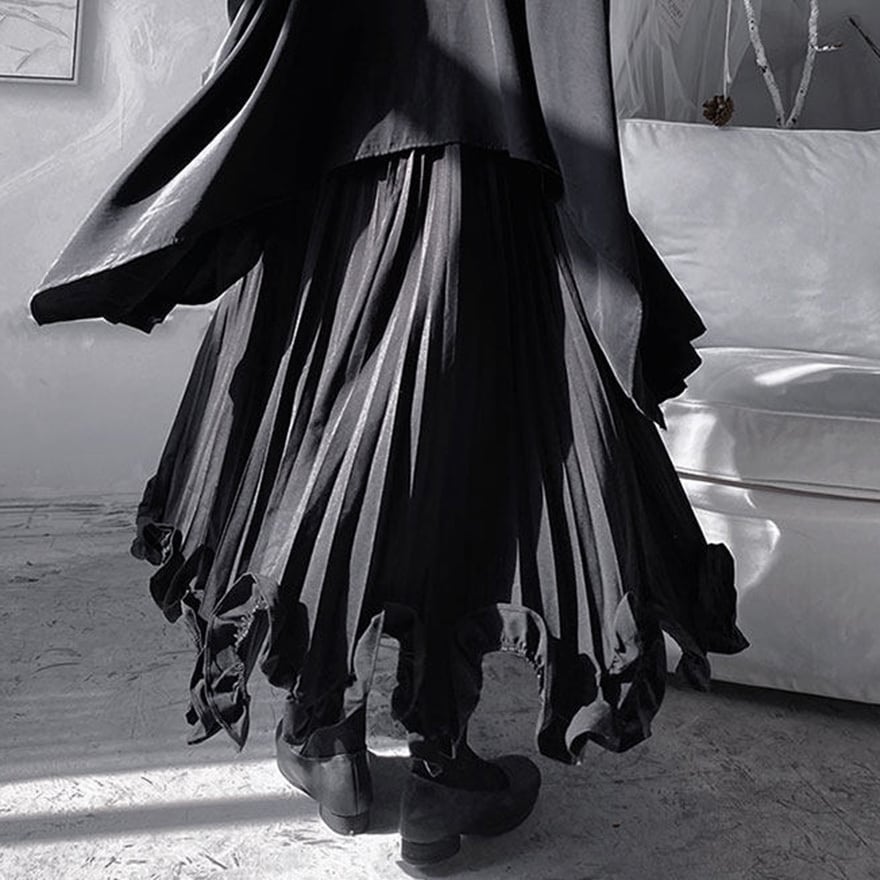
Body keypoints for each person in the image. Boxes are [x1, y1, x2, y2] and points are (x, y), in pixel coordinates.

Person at [30, 0, 747, 867]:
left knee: (313, 422)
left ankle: (329, 739)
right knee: (474, 439)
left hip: (336, 141)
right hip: (494, 158)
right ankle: (440, 770)